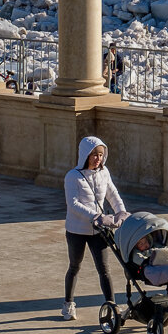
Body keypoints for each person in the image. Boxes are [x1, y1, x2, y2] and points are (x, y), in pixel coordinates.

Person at [62, 135, 129, 321]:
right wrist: (96, 216)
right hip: (77, 229)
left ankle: (112, 305)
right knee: (74, 266)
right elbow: (73, 204)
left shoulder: (104, 173)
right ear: (85, 155)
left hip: (98, 230)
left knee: (104, 269)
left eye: (100, 154)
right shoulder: (72, 176)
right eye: (94, 155)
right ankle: (68, 303)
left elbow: (113, 194)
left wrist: (121, 212)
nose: (97, 158)